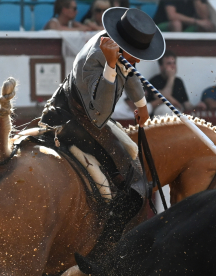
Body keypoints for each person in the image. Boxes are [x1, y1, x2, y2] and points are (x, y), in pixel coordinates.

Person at [39, 7, 165, 245]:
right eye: (136, 53)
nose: (138, 59)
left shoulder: (113, 46)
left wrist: (142, 105)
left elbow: (129, 73)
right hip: (77, 121)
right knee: (130, 191)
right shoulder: (98, 59)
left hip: (83, 115)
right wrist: (109, 66)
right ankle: (104, 250)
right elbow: (101, 112)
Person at [146, 50, 204, 116]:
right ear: (161, 67)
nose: (173, 66)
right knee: (166, 109)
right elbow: (163, 98)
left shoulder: (179, 81)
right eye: (169, 63)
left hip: (178, 114)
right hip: (160, 114)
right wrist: (171, 78)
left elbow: (186, 104)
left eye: (174, 63)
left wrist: (195, 107)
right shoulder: (154, 81)